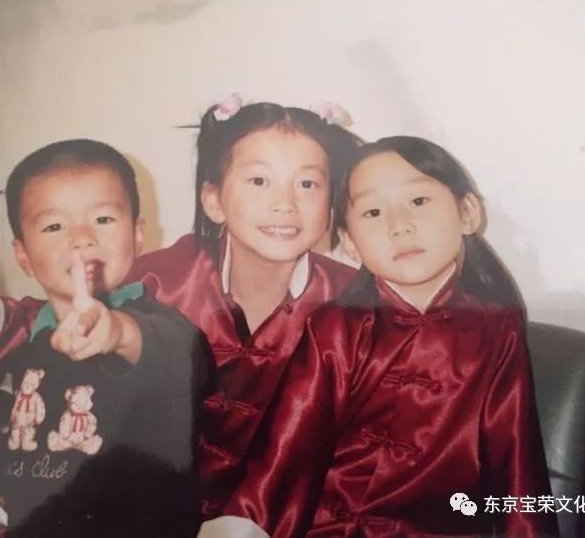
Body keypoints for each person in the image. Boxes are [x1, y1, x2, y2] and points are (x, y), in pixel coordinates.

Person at [0, 97, 363, 523]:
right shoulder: (164, 277)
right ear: (213, 200)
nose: (285, 203)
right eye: (260, 180)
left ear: (331, 203)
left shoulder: (354, 303)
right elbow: (61, 323)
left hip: (293, 511)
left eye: (307, 183)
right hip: (141, 503)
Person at [223, 136, 559, 537]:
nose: (400, 225)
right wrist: (242, 525)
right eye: (373, 211)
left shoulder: (497, 331)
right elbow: (286, 451)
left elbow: (517, 464)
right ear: (350, 243)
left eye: (418, 201)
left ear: (467, 213)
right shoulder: (336, 328)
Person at [0, 139, 205, 536]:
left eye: (102, 219)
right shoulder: (37, 338)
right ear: (23, 256)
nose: (81, 237)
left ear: (137, 235)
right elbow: (35, 441)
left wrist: (118, 332)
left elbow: (182, 360)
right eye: (54, 226)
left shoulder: (156, 325)